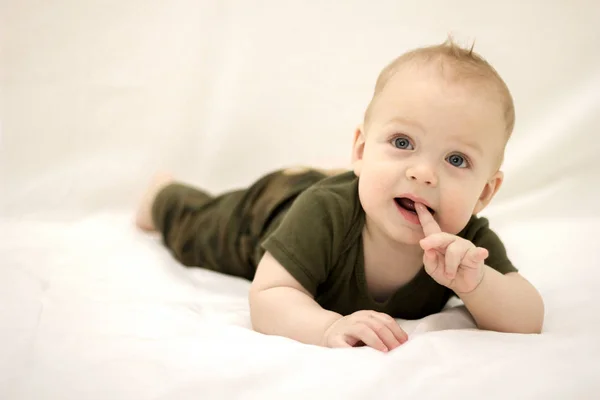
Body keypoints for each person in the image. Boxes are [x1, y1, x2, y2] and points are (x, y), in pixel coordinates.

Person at [135, 38, 545, 353]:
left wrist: (477, 286)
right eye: (402, 142)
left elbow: (529, 317)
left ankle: (348, 175)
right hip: (271, 210)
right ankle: (162, 194)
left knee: (356, 189)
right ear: (363, 151)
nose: (423, 173)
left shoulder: (467, 248)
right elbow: (269, 295)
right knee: (199, 228)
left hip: (352, 187)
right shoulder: (325, 213)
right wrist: (327, 327)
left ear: (485, 193)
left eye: (456, 159)